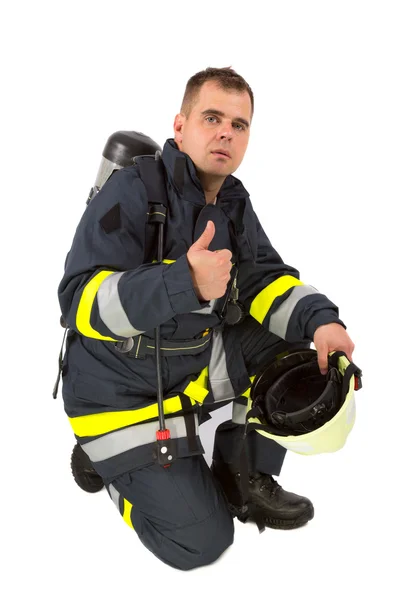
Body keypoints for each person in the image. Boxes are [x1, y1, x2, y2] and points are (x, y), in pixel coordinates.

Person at [57, 67, 355, 570]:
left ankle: (246, 477)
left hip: (186, 362)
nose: (225, 133)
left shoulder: (232, 202)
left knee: (295, 351)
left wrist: (321, 321)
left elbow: (264, 280)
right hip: (118, 394)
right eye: (212, 118)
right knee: (204, 544)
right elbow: (79, 301)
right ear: (180, 126)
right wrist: (184, 282)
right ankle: (105, 466)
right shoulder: (132, 193)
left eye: (239, 125)